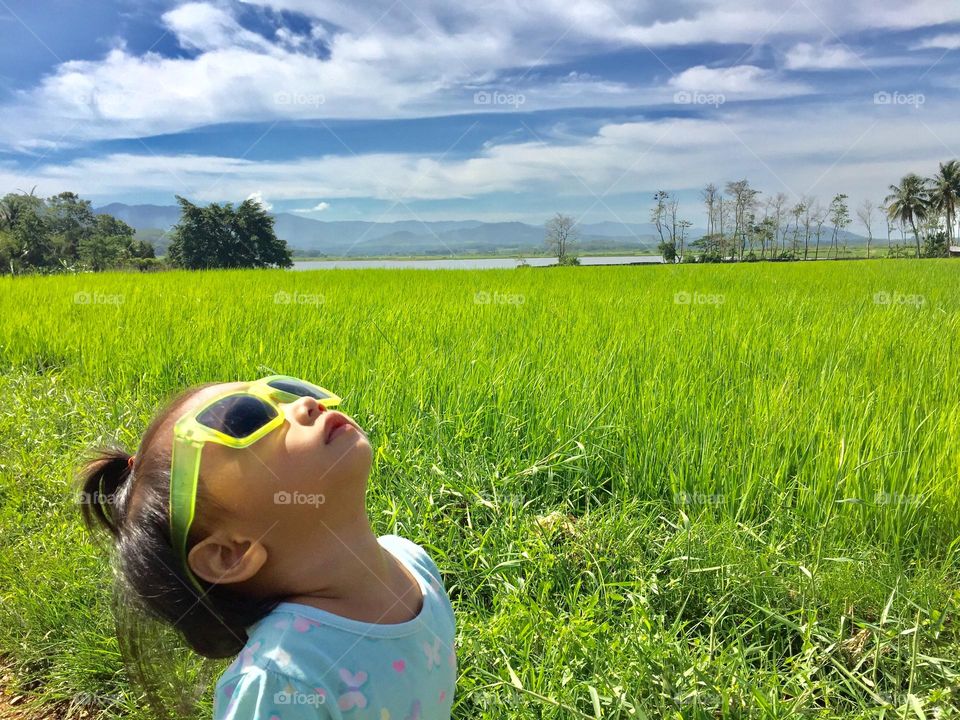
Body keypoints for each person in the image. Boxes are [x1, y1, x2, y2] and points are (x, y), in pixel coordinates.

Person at [76, 375, 457, 719]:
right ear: (229, 554)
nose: (305, 405)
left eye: (288, 392)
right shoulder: (283, 678)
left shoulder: (412, 561)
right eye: (247, 420)